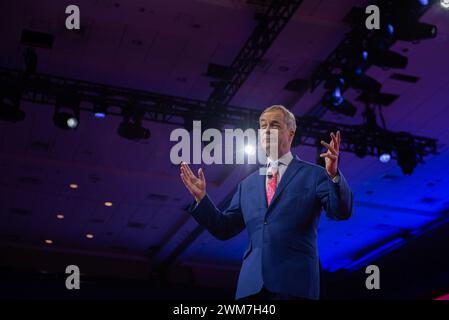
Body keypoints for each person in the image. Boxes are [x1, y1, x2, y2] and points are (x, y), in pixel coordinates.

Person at [180, 105, 353, 300]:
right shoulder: (247, 184)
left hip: (294, 283)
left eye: (274, 125)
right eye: (263, 126)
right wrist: (202, 199)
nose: (267, 130)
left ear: (291, 133)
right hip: (251, 286)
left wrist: (333, 176)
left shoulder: (314, 174)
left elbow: (341, 211)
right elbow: (224, 228)